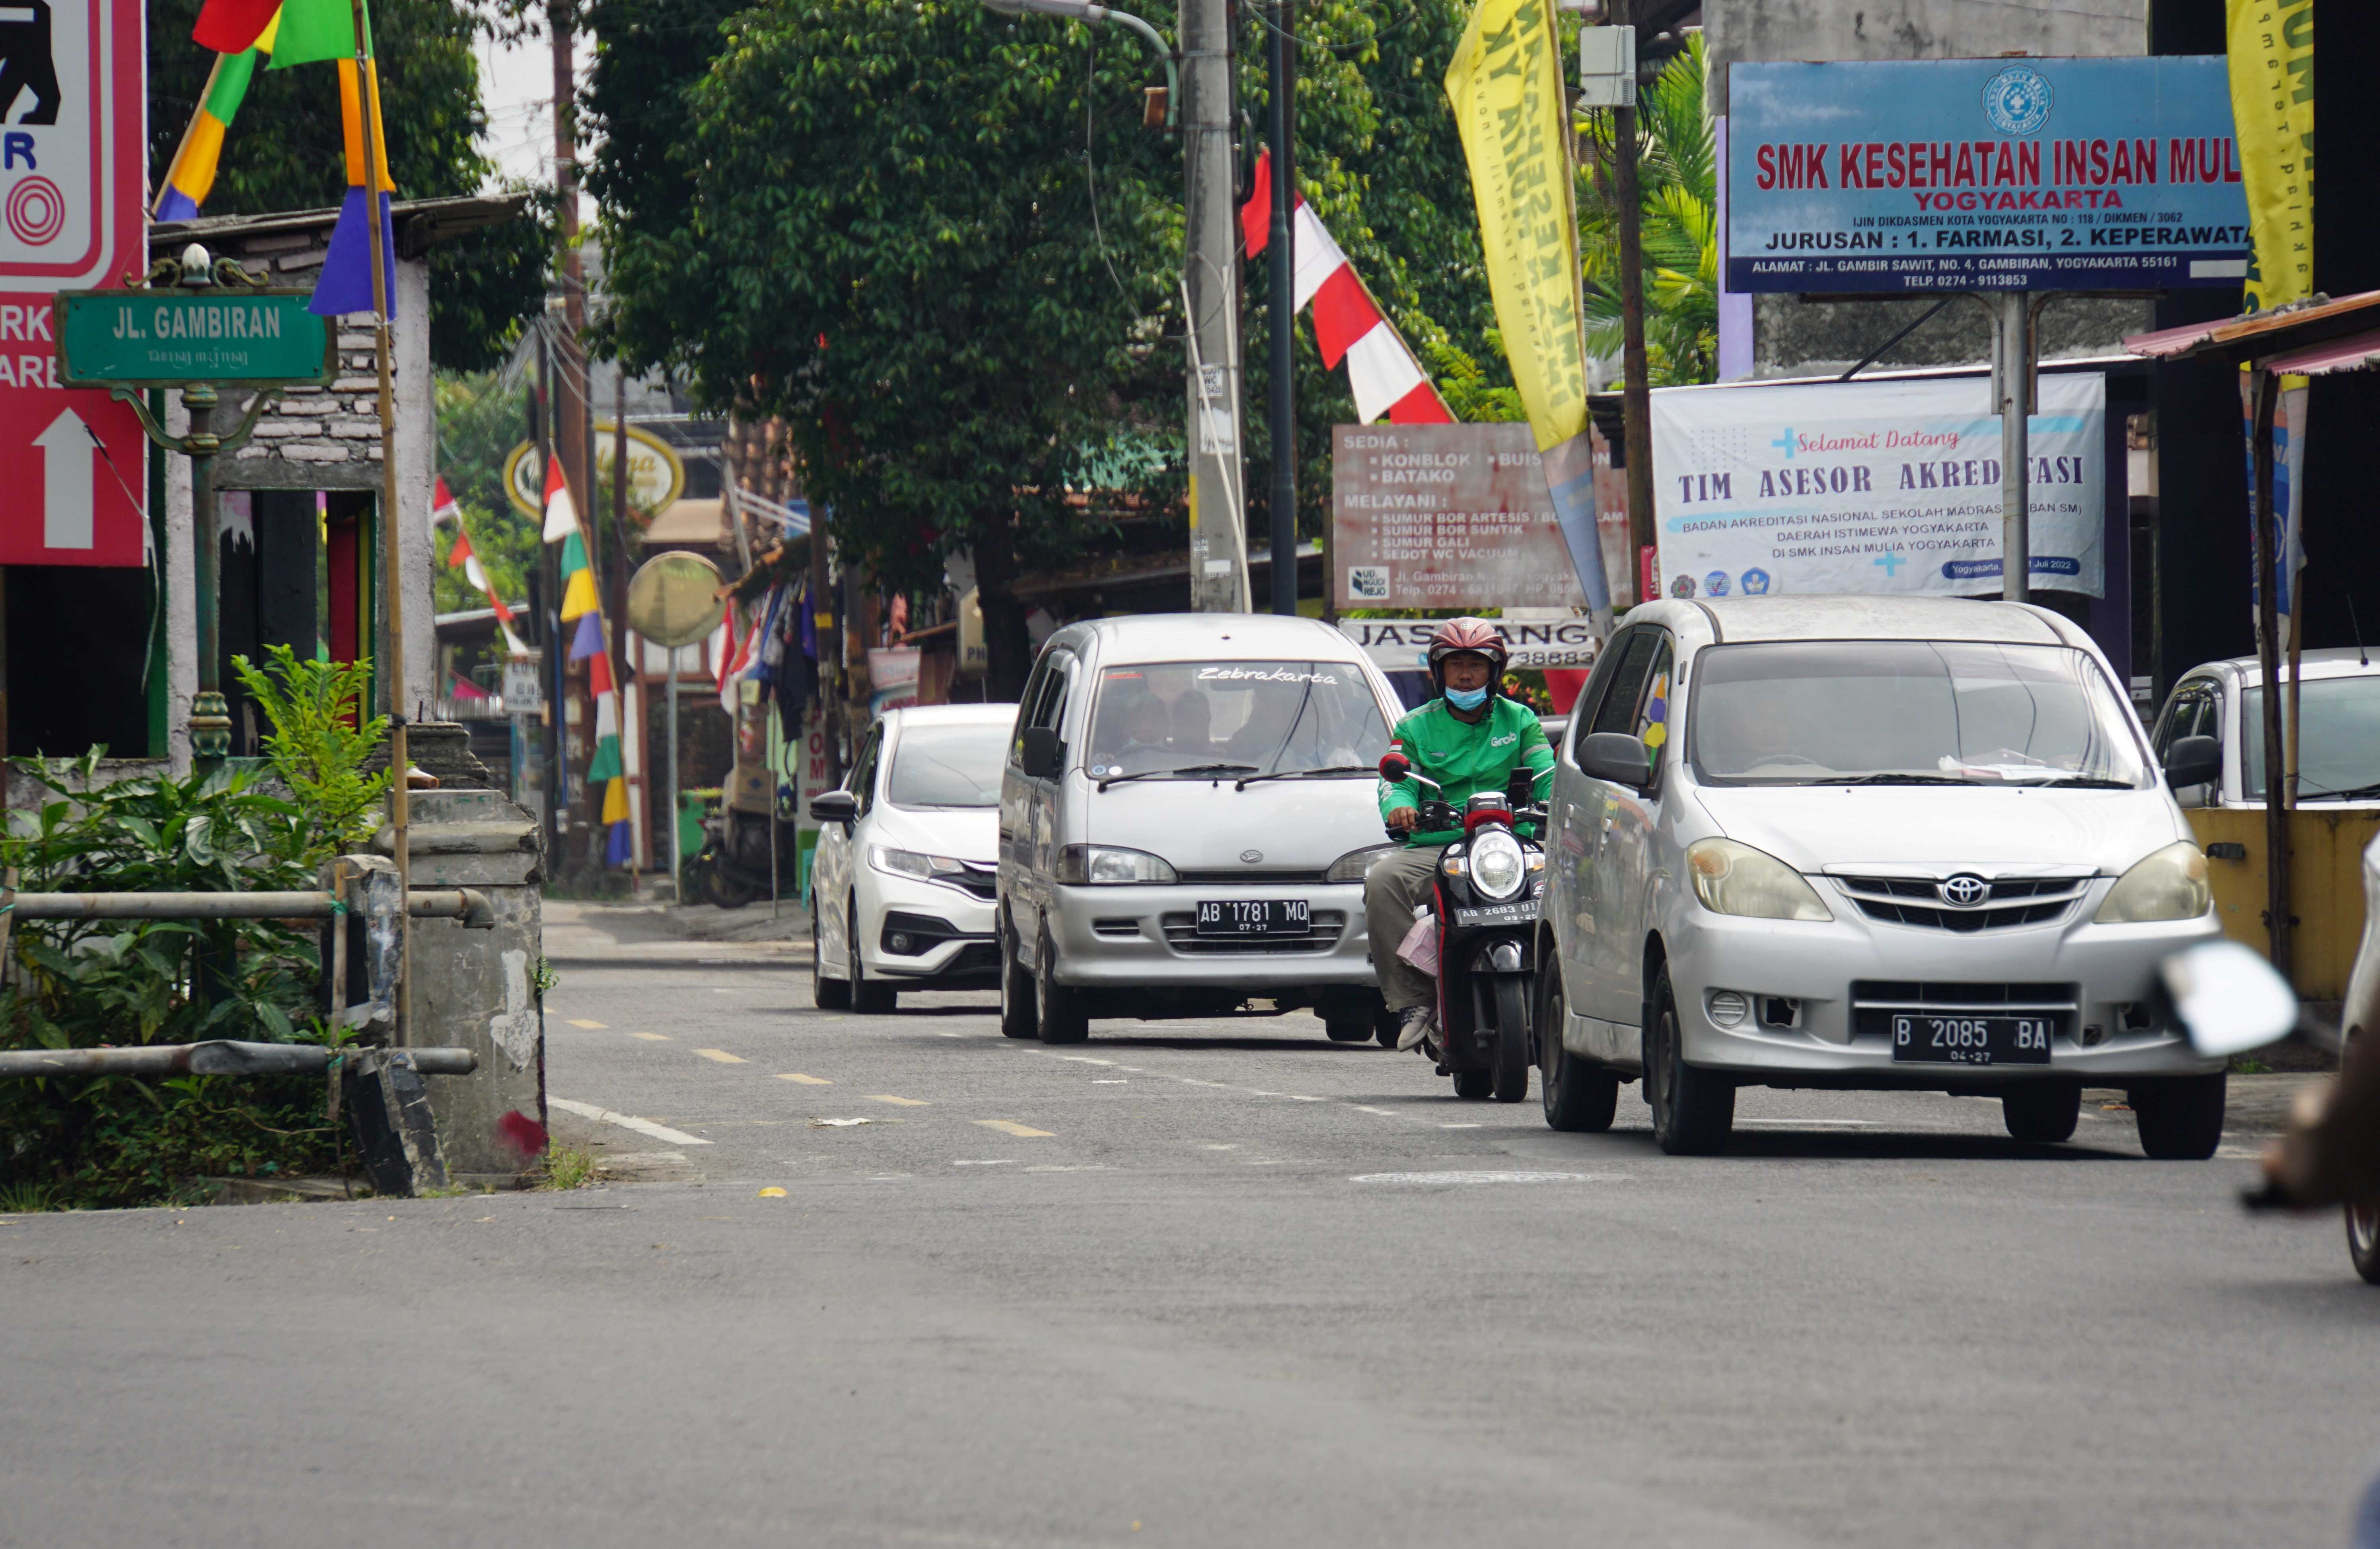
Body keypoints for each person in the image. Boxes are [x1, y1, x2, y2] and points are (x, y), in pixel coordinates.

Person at [1366, 619, 1555, 1052]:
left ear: (1494, 672)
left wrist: (1558, 798)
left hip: (1513, 842)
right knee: (1382, 880)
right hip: (1441, 843)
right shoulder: (1414, 727)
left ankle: (1562, 989)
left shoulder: (1520, 719)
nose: (1465, 674)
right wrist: (1398, 805)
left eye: (1475, 664)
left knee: (1571, 877)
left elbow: (1547, 770)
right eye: (1455, 666)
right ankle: (1415, 999)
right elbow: (1395, 778)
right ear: (1439, 672)